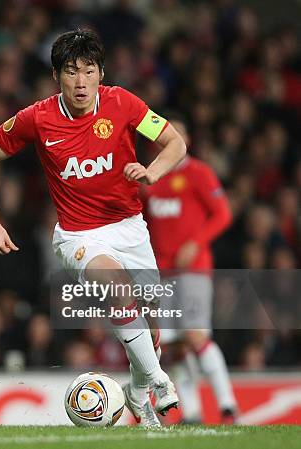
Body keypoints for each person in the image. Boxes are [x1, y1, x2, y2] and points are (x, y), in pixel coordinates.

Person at [0, 29, 186, 427]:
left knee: (153, 323)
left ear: (100, 74)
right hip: (78, 235)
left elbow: (175, 142)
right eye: (71, 72)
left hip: (130, 227)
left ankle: (138, 390)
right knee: (116, 285)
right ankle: (159, 381)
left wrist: (152, 171)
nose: (80, 81)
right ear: (57, 76)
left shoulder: (122, 102)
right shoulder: (37, 117)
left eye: (89, 71)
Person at [144, 117, 238, 424]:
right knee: (172, 345)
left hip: (194, 270)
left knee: (196, 336)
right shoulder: (151, 177)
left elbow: (223, 214)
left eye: (176, 132)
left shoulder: (199, 173)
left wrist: (195, 244)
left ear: (185, 139)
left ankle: (228, 406)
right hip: (162, 272)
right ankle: (193, 412)